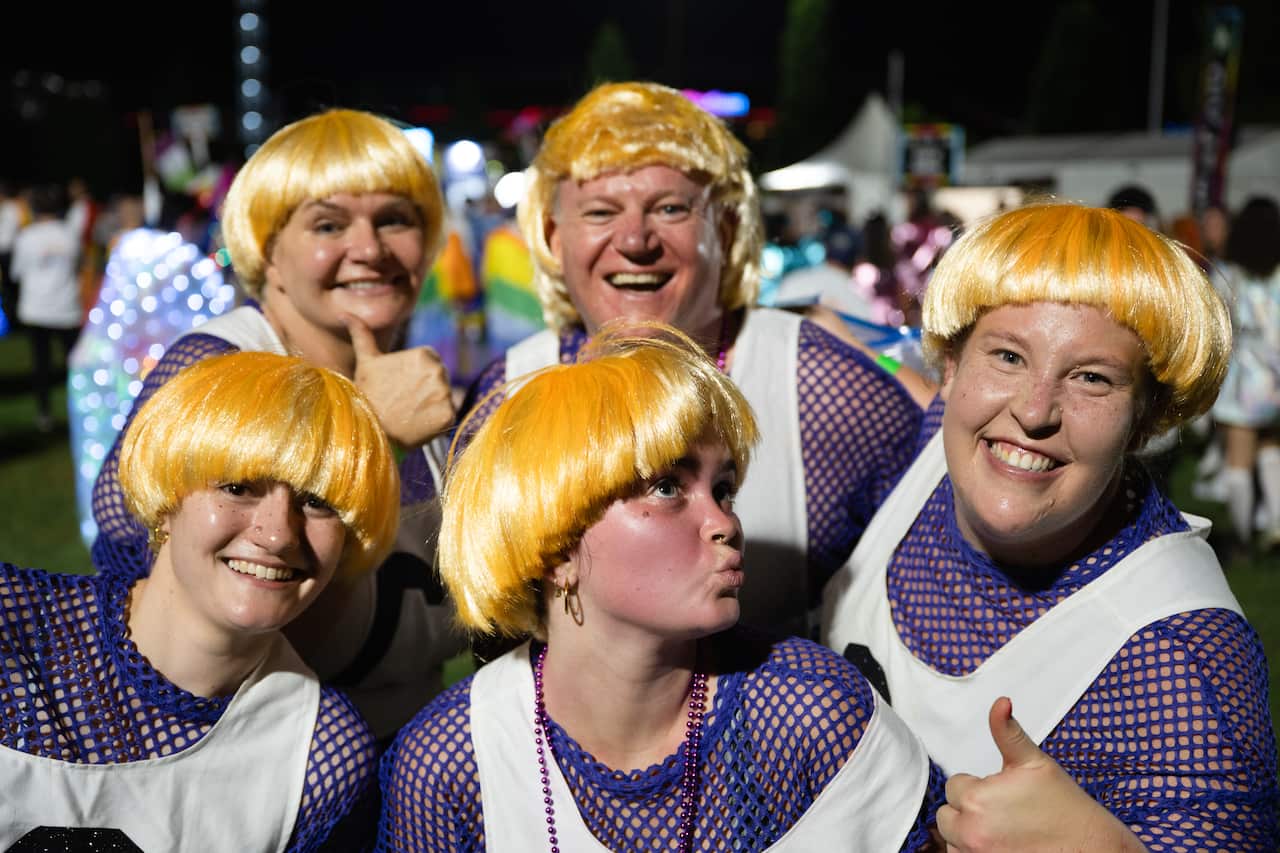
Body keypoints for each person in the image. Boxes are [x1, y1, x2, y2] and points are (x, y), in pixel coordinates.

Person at [378, 325, 941, 852]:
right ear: (555, 549)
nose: (726, 522)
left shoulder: (809, 712)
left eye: (723, 490)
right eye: (668, 486)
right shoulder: (451, 762)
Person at [823, 202, 1278, 850]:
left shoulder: (1183, 659)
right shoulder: (936, 449)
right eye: (1008, 356)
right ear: (949, 367)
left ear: (1147, 421)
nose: (1033, 412)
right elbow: (871, 347)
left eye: (1092, 378)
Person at [454, 81, 924, 639]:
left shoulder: (822, 384)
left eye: (670, 208)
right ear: (555, 237)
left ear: (725, 230)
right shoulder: (508, 395)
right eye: (602, 211)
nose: (634, 239)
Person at [90, 108, 465, 738]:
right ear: (267, 249)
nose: (369, 249)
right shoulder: (221, 363)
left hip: (403, 766)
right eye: (328, 223)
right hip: (265, 771)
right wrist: (371, 438)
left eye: (395, 219)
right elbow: (128, 550)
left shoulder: (418, 380)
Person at [0, 351, 395, 850]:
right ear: (167, 502)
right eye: (238, 487)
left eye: (317, 502)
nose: (277, 535)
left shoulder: (322, 757)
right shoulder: (11, 625)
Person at [1207, 196, 1280, 550]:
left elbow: (1221, 326)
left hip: (1246, 380)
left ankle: (1242, 537)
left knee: (1238, 458)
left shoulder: (1230, 275)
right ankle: (1277, 525)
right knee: (1270, 447)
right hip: (1277, 378)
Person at [9, 182, 82, 432]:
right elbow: (77, 264)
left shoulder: (26, 237)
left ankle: (44, 414)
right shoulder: (69, 233)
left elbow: (16, 272)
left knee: (42, 366)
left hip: (37, 308)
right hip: (66, 307)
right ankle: (82, 410)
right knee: (75, 365)